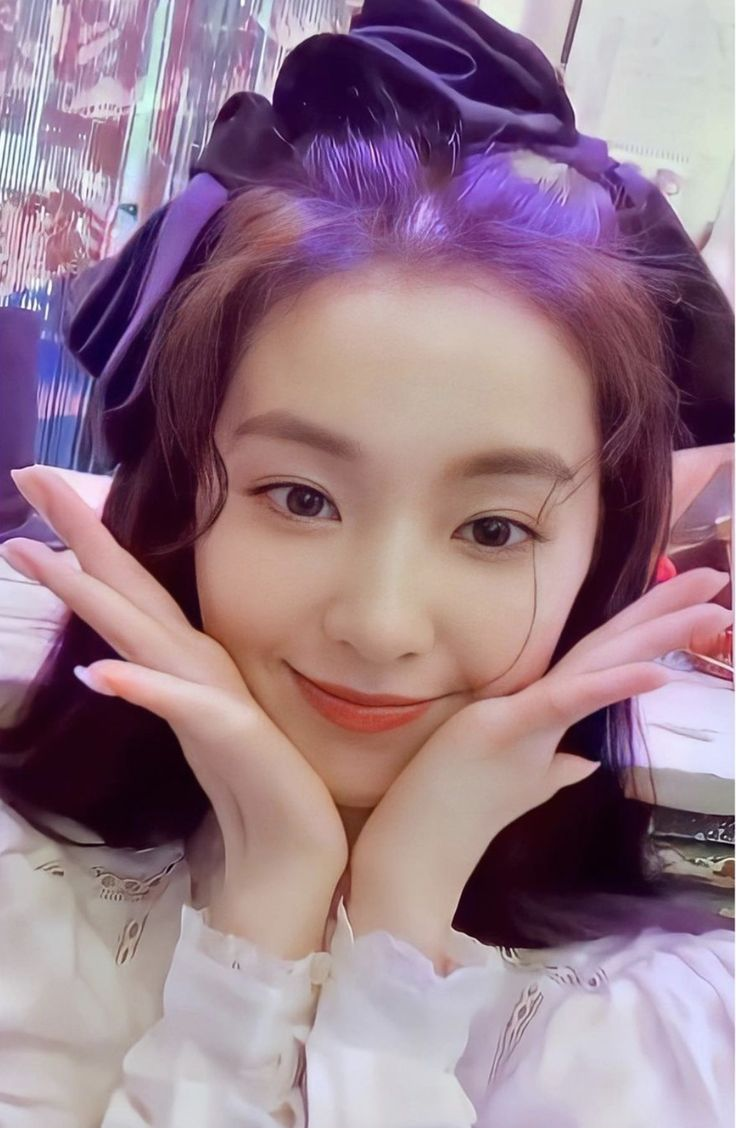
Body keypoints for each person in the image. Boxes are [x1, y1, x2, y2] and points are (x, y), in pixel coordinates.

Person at [0, 3, 733, 1125]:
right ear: (180, 509)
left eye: (494, 529)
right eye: (301, 499)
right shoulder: (26, 919)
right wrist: (262, 909)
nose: (381, 624)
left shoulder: (666, 1036)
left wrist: (399, 935)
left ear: (603, 563)